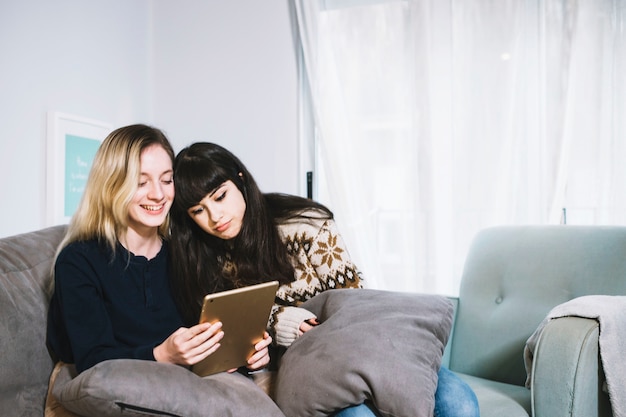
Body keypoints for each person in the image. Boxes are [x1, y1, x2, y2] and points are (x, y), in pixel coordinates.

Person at [168, 142, 480, 417]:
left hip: (355, 341)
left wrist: (292, 318)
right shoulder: (200, 260)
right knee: (357, 415)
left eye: (220, 197)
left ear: (239, 180)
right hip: (301, 367)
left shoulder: (305, 223)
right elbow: (231, 329)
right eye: (199, 210)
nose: (215, 217)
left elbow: (353, 300)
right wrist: (281, 322)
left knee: (459, 402)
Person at [46, 125, 272, 379]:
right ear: (111, 186)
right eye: (141, 182)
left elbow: (213, 340)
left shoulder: (187, 252)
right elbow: (92, 360)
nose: (158, 194)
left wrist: (248, 356)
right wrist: (161, 354)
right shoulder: (79, 261)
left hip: (199, 385)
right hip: (125, 388)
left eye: (166, 180)